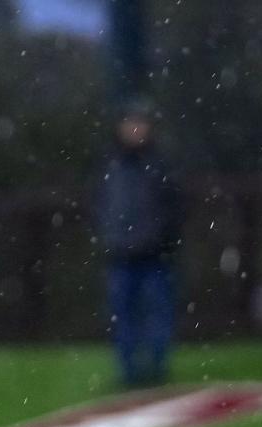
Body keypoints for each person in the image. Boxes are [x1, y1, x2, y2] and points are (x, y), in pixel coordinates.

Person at [95, 101, 184, 388]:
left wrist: (165, 238)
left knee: (156, 311)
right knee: (125, 315)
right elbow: (100, 205)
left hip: (154, 252)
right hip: (121, 252)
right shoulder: (112, 165)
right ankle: (129, 372)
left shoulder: (158, 165)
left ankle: (156, 368)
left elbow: (174, 205)